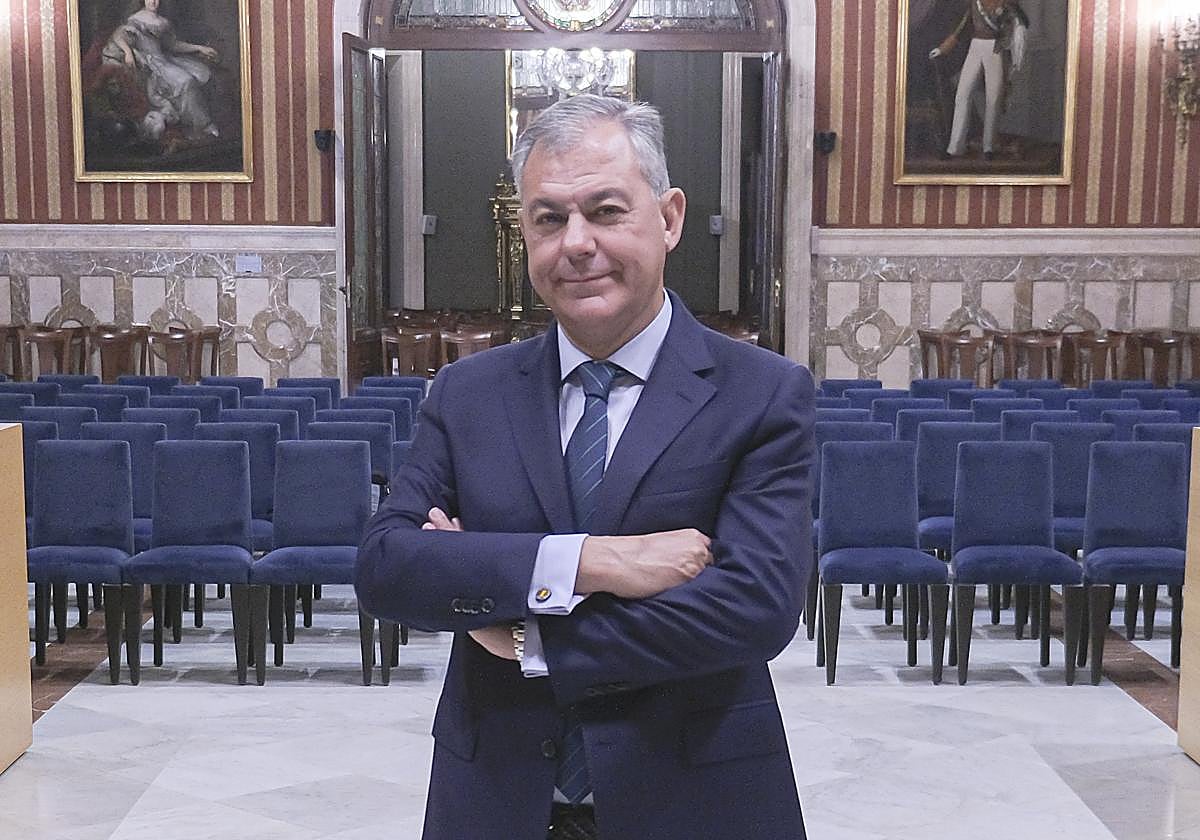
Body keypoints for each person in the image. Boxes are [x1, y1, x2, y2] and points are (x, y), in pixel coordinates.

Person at [356, 93, 814, 840]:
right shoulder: (467, 393)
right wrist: (587, 565)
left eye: (604, 211)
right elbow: (388, 569)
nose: (575, 243)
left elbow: (753, 609)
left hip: (694, 800)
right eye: (548, 218)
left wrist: (521, 630)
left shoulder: (761, 392)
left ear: (668, 218)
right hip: (496, 798)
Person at [101, 0, 220, 142]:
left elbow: (173, 45)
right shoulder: (135, 19)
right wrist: (128, 52)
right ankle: (200, 125)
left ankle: (198, 126)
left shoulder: (163, 22)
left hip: (164, 62)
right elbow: (117, 36)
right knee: (185, 81)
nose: (153, 1)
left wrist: (199, 48)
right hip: (149, 66)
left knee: (191, 79)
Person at [930, 0, 1029, 159]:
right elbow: (960, 30)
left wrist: (1008, 40)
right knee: (962, 95)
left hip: (995, 48)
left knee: (993, 98)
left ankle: (988, 147)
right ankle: (955, 147)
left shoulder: (1006, 3)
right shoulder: (974, 4)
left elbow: (1022, 23)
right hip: (975, 47)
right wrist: (942, 49)